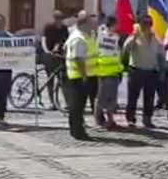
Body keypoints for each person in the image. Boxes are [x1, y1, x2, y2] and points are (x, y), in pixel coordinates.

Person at [122, 16, 163, 128]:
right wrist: (134, 36)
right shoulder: (135, 36)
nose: (147, 25)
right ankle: (130, 118)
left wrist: (161, 67)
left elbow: (160, 52)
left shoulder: (155, 36)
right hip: (136, 70)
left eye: (150, 23)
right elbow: (126, 48)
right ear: (140, 24)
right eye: (145, 23)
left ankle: (147, 119)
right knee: (133, 97)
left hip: (151, 71)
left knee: (149, 97)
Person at [64, 11, 95, 140]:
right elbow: (78, 59)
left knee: (77, 107)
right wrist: (84, 76)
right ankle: (78, 131)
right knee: (77, 107)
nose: (93, 23)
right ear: (84, 23)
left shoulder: (82, 36)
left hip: (77, 76)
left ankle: (76, 129)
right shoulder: (79, 38)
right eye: (91, 21)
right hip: (78, 77)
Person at [94, 15, 123, 128]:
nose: (117, 26)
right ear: (112, 24)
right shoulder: (100, 35)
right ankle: (98, 119)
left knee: (112, 98)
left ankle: (111, 120)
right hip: (103, 70)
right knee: (101, 97)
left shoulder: (116, 37)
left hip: (114, 71)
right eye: (116, 24)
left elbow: (116, 52)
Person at [41, 10, 69, 109]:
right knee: (50, 79)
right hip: (49, 55)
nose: (59, 21)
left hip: (59, 56)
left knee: (63, 79)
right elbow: (43, 40)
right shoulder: (48, 27)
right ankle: (51, 102)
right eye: (57, 18)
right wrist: (46, 51)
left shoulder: (64, 28)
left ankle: (67, 103)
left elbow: (66, 41)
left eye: (60, 19)